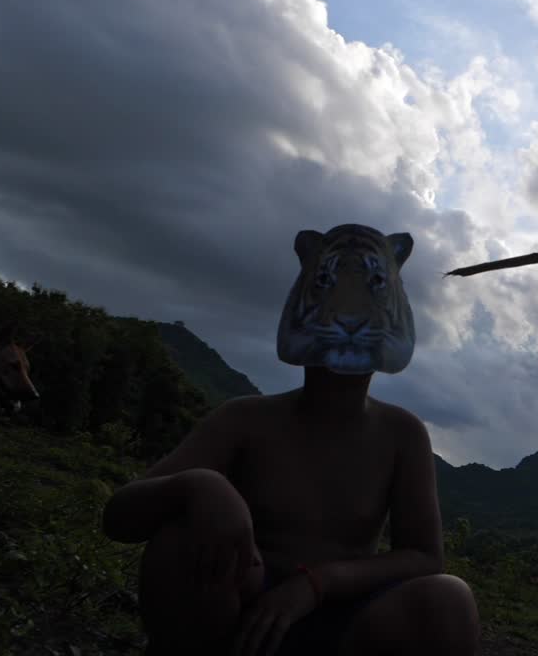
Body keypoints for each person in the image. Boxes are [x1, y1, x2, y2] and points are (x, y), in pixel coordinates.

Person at [102, 224, 480, 656]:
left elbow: (425, 557)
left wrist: (318, 583)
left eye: (372, 289)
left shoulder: (402, 433)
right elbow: (119, 517)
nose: (348, 314)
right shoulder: (244, 418)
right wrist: (197, 487)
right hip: (241, 611)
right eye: (327, 288)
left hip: (344, 615)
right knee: (179, 542)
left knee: (449, 601)